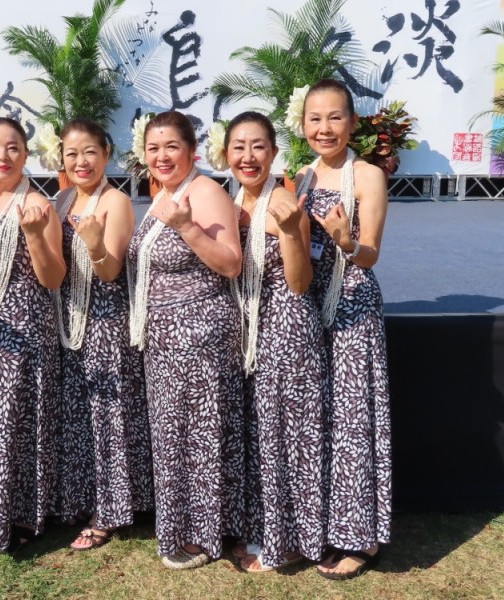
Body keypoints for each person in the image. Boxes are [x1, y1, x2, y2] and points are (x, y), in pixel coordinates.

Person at [126, 110, 244, 569]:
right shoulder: (165, 194)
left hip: (199, 337)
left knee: (200, 436)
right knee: (174, 437)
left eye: (171, 146)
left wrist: (187, 227)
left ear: (192, 151)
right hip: (164, 341)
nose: (161, 156)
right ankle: (181, 525)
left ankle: (204, 534)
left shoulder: (205, 192)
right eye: (153, 148)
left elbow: (230, 263)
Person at [295, 78, 392, 580]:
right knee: (319, 421)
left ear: (352, 124)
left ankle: (361, 538)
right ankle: (319, 528)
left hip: (352, 306)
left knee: (353, 422)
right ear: (303, 125)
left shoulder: (368, 175)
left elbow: (370, 253)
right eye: (315, 118)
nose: (325, 128)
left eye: (335, 117)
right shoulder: (302, 176)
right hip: (308, 306)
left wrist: (344, 240)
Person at [223, 112, 326, 572]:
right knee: (258, 436)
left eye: (258, 146)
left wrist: (289, 233)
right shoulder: (228, 202)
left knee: (285, 439)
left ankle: (288, 541)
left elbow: (301, 283)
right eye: (239, 147)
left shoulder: (283, 203)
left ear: (274, 152)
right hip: (246, 333)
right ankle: (260, 528)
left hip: (285, 333)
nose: (248, 156)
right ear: (226, 154)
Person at [0, 116, 66, 553]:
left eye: (12, 147)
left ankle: (21, 513)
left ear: (25, 154)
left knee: (17, 422)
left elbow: (54, 277)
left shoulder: (37, 203)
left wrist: (35, 236)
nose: (2, 156)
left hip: (23, 330)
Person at [53, 118, 154, 549]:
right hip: (70, 323)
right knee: (81, 418)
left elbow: (110, 270)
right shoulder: (62, 199)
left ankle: (111, 510)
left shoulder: (116, 201)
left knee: (109, 418)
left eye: (90, 152)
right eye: (72, 153)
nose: (81, 162)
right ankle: (81, 499)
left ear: (106, 154)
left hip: (106, 325)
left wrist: (94, 243)